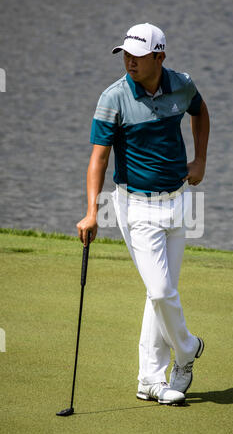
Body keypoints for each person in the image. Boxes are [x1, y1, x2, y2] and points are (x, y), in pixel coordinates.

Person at [76, 23, 210, 405]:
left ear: (159, 56)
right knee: (160, 289)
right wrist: (90, 212)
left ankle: (149, 381)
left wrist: (200, 160)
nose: (130, 62)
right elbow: (98, 158)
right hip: (136, 205)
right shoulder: (113, 98)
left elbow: (200, 113)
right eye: (126, 55)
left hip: (180, 201)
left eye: (138, 55)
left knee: (160, 293)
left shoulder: (181, 84)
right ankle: (188, 348)